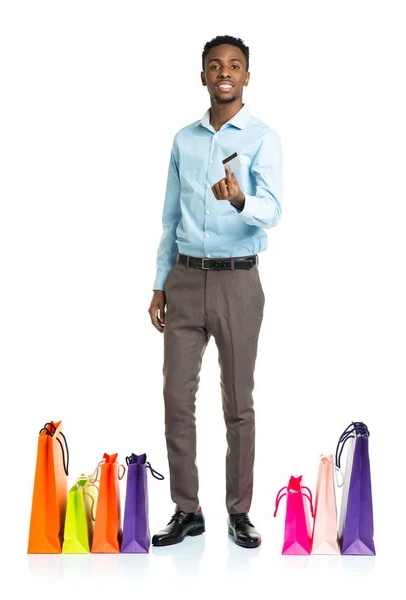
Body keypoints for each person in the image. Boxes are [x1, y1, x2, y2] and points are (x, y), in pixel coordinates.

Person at [148, 34, 282, 549]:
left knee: (238, 402)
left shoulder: (264, 138)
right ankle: (187, 510)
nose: (224, 72)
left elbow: (273, 210)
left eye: (235, 65)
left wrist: (240, 199)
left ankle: (240, 512)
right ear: (202, 75)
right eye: (214, 65)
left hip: (238, 282)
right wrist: (160, 283)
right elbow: (168, 219)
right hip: (184, 277)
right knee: (175, 398)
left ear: (247, 76)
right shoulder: (183, 140)